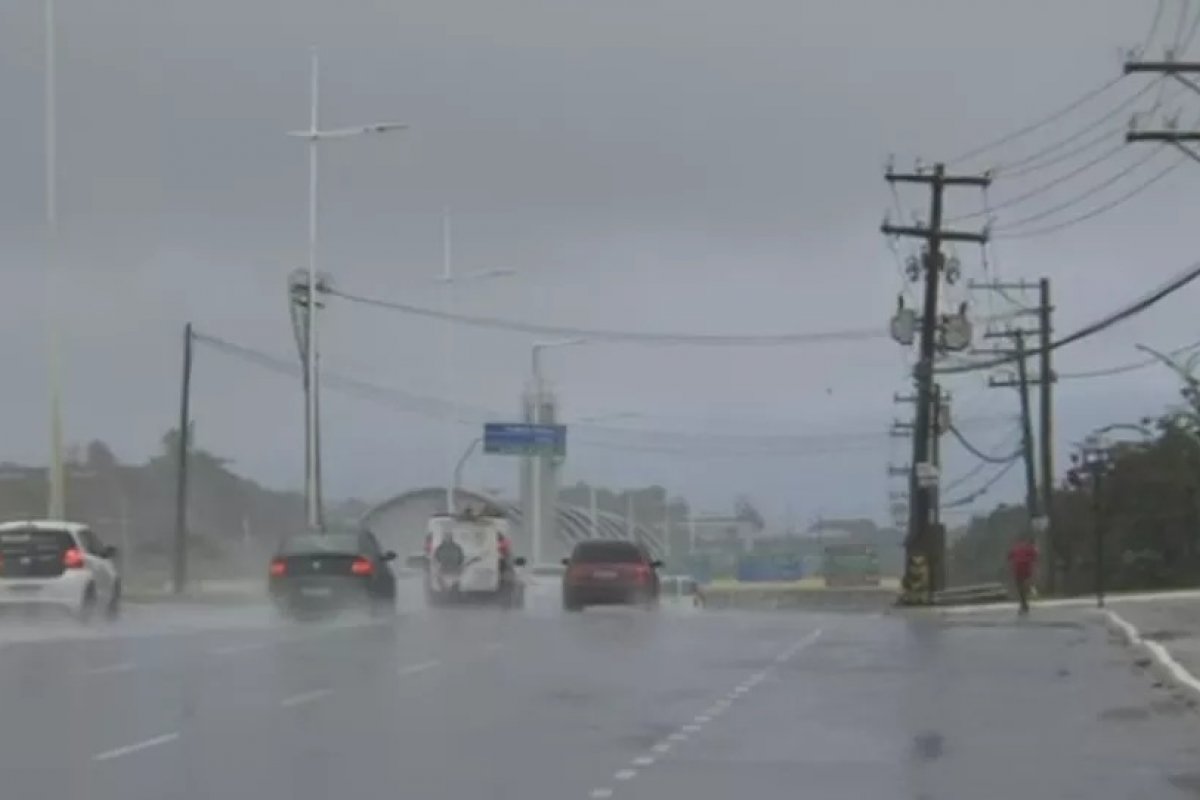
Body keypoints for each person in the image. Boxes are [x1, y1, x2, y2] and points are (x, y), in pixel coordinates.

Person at [1007, 535, 1038, 614]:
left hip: (1018, 569)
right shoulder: (1029, 548)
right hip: (1025, 569)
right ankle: (1026, 599)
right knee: (1023, 586)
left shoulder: (1016, 548)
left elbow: (1009, 556)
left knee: (1020, 588)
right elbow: (1035, 556)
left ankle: (1024, 604)